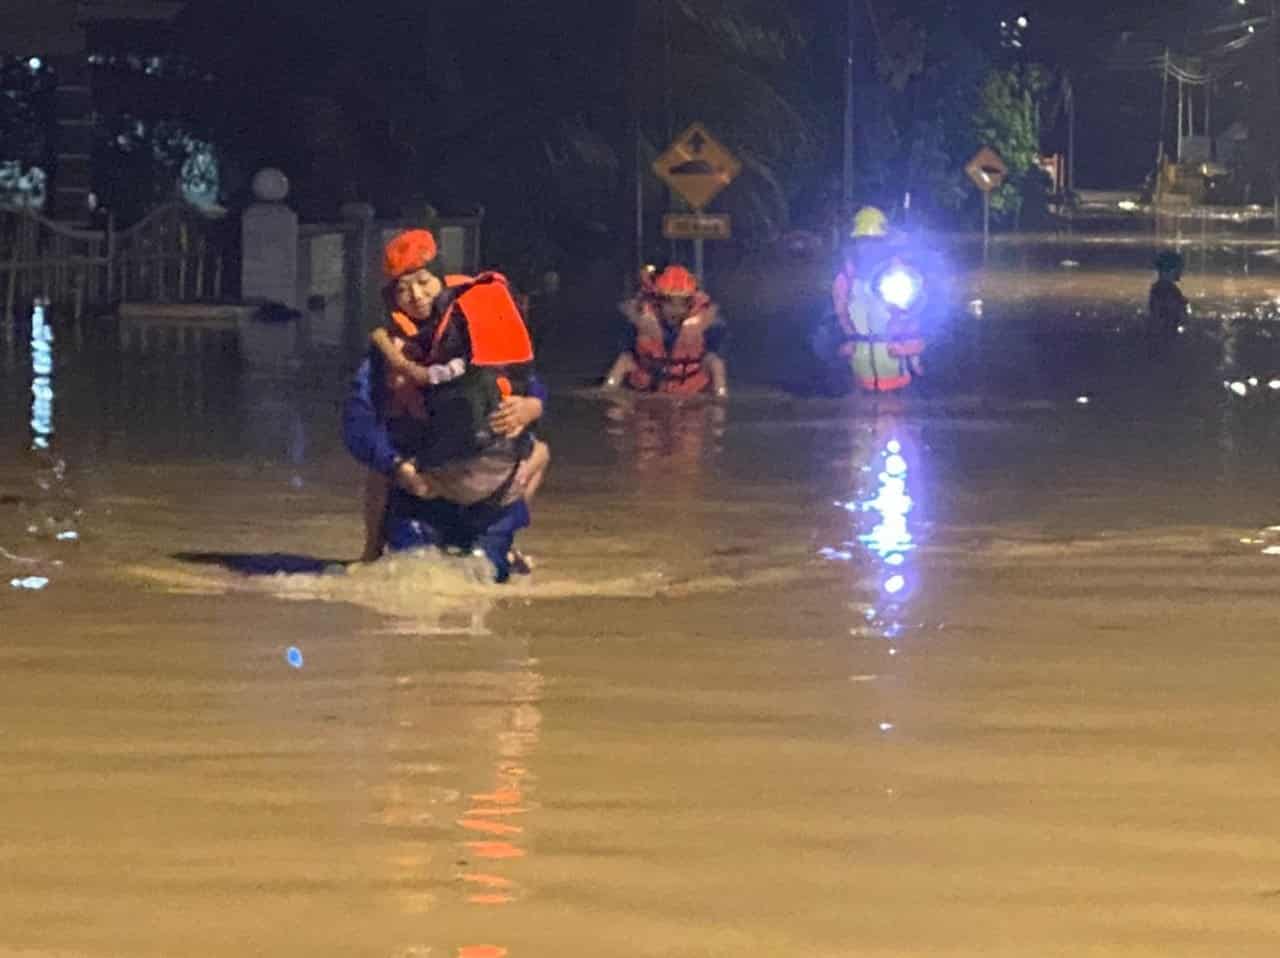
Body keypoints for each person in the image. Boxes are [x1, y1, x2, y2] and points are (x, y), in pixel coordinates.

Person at [344, 229, 549, 582]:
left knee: (488, 577)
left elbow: (528, 382)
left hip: (490, 492)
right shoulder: (384, 352)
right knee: (410, 576)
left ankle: (504, 543)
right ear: (391, 297)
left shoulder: (480, 324)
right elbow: (357, 423)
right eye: (403, 289)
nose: (416, 296)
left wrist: (532, 406)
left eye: (424, 282)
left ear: (441, 279)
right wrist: (397, 467)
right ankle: (372, 552)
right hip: (423, 486)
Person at [602, 265, 728, 397]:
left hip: (690, 393)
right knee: (624, 359)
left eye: (683, 303)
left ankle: (720, 401)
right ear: (658, 301)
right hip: (646, 393)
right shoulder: (642, 321)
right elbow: (626, 357)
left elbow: (714, 358)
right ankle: (608, 395)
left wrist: (720, 397)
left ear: (691, 303)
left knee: (716, 362)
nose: (676, 309)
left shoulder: (705, 324)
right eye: (669, 302)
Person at [1148, 250, 1187, 356]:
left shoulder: (1160, 289)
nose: (1181, 272)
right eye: (1179, 268)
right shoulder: (1167, 291)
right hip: (1167, 341)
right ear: (1171, 270)